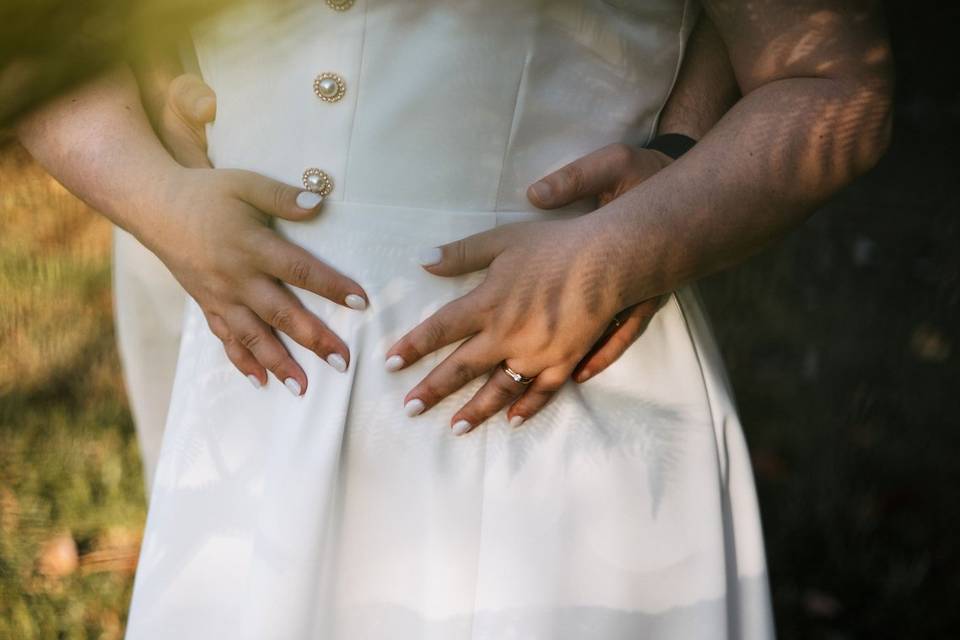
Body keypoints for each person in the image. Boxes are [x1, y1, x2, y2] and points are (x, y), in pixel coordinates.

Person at [16, 0, 893, 637]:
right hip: (266, 382)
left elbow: (835, 79)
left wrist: (622, 253)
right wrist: (161, 201)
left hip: (551, 382)